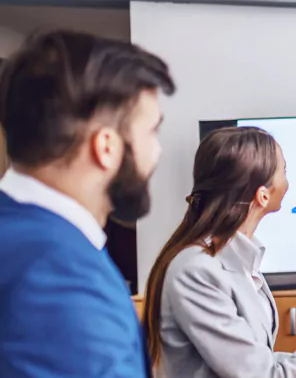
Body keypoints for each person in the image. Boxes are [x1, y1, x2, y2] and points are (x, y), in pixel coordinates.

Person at [143, 127, 296, 377]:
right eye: (284, 171)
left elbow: (257, 361)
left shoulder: (236, 262)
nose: (289, 182)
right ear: (262, 195)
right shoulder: (196, 271)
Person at [0, 30, 176, 377]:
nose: (158, 151)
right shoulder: (60, 274)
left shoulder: (23, 238)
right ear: (106, 146)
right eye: (152, 132)